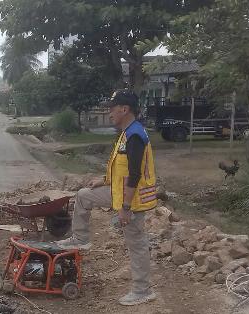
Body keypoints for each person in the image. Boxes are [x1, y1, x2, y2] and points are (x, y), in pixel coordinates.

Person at [54, 89, 158, 306]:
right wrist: (103, 180)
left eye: (112, 108)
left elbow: (135, 174)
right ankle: (80, 238)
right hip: (118, 193)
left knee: (136, 244)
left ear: (124, 109)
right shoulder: (125, 132)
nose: (109, 112)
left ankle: (143, 290)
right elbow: (120, 168)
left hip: (133, 200)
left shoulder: (135, 135)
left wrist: (126, 208)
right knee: (84, 195)